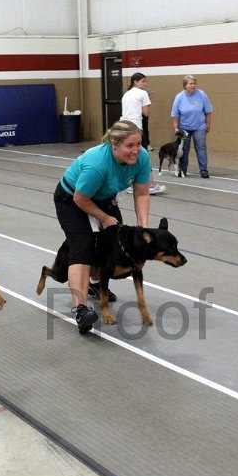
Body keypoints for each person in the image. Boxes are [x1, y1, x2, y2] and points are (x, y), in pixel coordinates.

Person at [53, 120, 152, 333]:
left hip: (104, 198)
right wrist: (105, 219)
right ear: (114, 144)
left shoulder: (142, 157)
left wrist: (143, 228)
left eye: (138, 144)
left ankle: (95, 283)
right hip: (72, 199)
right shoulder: (97, 164)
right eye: (130, 146)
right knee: (83, 246)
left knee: (114, 246)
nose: (136, 150)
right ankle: (80, 309)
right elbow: (81, 199)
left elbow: (142, 193)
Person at [120, 72, 165, 195]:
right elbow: (146, 113)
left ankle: (128, 184)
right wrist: (147, 102)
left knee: (129, 155)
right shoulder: (143, 94)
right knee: (144, 156)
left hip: (123, 127)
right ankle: (150, 185)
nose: (145, 83)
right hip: (136, 129)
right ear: (135, 82)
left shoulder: (126, 94)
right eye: (143, 81)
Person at [170, 75, 213, 178]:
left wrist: (208, 124)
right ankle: (182, 170)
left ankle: (203, 170)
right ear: (185, 85)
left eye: (194, 83)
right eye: (191, 83)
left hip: (200, 126)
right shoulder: (179, 97)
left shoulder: (201, 94)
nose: (193, 85)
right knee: (184, 149)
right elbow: (175, 115)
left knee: (201, 147)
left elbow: (208, 111)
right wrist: (176, 128)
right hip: (184, 127)